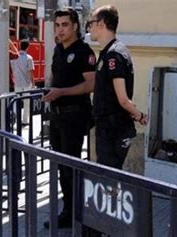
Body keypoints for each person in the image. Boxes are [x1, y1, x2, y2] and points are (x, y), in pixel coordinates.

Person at [42, 8, 96, 229]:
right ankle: (69, 210)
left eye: (65, 25)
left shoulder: (84, 51)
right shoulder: (58, 49)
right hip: (57, 117)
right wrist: (49, 89)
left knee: (71, 166)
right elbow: (55, 76)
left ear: (75, 26)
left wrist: (62, 93)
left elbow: (91, 84)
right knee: (61, 166)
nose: (60, 29)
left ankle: (77, 214)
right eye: (57, 25)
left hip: (74, 116)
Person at [88, 5, 147, 170]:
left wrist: (139, 115)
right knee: (109, 179)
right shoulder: (109, 52)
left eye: (91, 23)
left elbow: (122, 98)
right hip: (109, 127)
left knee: (108, 180)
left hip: (112, 129)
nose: (89, 28)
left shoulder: (114, 54)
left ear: (101, 24)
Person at [10, 39, 35, 125]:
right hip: (27, 83)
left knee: (15, 101)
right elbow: (31, 72)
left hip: (17, 83)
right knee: (26, 103)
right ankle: (25, 121)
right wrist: (33, 84)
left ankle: (14, 118)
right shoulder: (29, 58)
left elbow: (11, 67)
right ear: (28, 47)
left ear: (20, 45)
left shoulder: (14, 57)